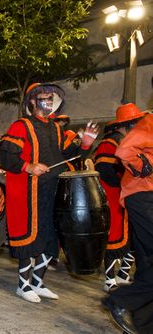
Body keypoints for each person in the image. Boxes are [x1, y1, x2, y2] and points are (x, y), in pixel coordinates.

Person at [0, 83, 98, 303]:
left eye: (51, 98)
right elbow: (4, 155)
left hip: (53, 192)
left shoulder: (55, 128)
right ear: (32, 101)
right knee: (30, 239)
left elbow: (68, 155)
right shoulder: (21, 126)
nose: (49, 101)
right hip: (30, 193)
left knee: (51, 239)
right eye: (44, 97)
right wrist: (29, 166)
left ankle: (38, 282)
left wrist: (85, 144)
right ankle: (23, 286)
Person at [103, 106, 153, 334]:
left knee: (146, 262)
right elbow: (124, 151)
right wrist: (144, 167)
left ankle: (141, 324)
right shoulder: (149, 123)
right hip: (143, 198)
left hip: (141, 198)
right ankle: (122, 299)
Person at [94, 104, 142, 292]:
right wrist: (124, 182)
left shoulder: (130, 143)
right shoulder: (109, 143)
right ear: (126, 125)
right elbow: (104, 169)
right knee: (113, 239)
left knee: (131, 238)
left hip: (128, 197)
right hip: (113, 197)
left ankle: (122, 274)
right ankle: (109, 279)